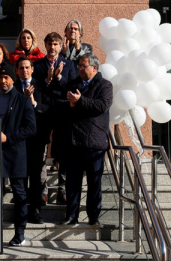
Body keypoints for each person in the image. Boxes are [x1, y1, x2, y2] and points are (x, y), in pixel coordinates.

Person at [0, 62, 36, 246]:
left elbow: (31, 128)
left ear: (13, 78)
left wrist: (8, 137)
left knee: (20, 195)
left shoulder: (23, 100)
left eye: (7, 77)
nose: (3, 80)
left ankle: (19, 234)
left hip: (15, 155)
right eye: (1, 77)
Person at [56, 54, 113, 227]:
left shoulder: (105, 85)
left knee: (94, 183)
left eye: (84, 66)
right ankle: (71, 215)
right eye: (79, 65)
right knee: (73, 182)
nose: (80, 68)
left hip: (94, 142)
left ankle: (93, 217)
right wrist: (72, 105)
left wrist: (80, 101)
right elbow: (61, 103)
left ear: (94, 68)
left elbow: (101, 106)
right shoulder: (73, 84)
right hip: (74, 142)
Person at [33, 31, 77, 205]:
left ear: (60, 46)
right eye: (50, 44)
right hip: (43, 112)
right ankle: (42, 190)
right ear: (45, 45)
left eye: (56, 44)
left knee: (62, 152)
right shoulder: (37, 65)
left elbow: (72, 86)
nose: (52, 47)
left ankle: (62, 189)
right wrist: (47, 78)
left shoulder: (69, 65)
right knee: (41, 152)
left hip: (62, 112)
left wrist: (58, 77)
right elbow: (36, 87)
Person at [14, 56, 52, 224]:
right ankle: (21, 211)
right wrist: (23, 98)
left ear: (32, 69)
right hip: (19, 139)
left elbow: (48, 108)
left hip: (37, 138)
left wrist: (33, 102)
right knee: (20, 176)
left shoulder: (41, 85)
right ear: (17, 70)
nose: (24, 70)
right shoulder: (13, 87)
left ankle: (35, 210)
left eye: (27, 67)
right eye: (21, 68)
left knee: (36, 176)